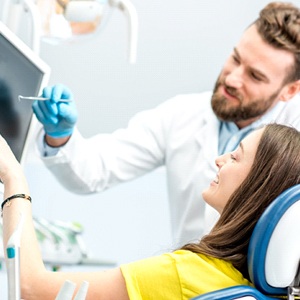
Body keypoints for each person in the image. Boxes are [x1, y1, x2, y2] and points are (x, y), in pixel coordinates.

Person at [32, 2, 300, 246]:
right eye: (236, 59)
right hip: (189, 286)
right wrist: (60, 137)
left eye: (254, 76)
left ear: (290, 90)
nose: (232, 79)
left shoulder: (294, 137)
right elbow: (96, 170)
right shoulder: (182, 115)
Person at [2, 123, 300, 299]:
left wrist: (13, 177)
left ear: (259, 187)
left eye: (236, 157)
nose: (220, 159)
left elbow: (30, 287)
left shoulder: (186, 273)